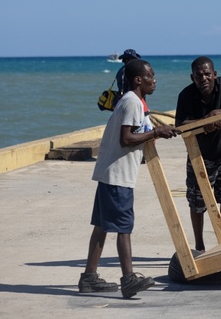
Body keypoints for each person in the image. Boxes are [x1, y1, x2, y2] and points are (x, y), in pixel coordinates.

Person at [82, 59, 179, 298]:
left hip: (109, 172)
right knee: (123, 228)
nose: (154, 80)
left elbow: (134, 132)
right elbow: (126, 138)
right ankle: (128, 280)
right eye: (150, 76)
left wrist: (158, 130)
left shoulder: (130, 101)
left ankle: (89, 278)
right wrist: (156, 132)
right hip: (118, 175)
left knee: (102, 226)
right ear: (138, 79)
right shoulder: (133, 103)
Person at [175, 56, 221, 253]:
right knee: (197, 203)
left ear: (214, 75)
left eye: (208, 74)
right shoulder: (186, 95)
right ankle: (199, 246)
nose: (204, 78)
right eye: (199, 75)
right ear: (192, 77)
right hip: (200, 156)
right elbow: (179, 126)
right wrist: (204, 122)